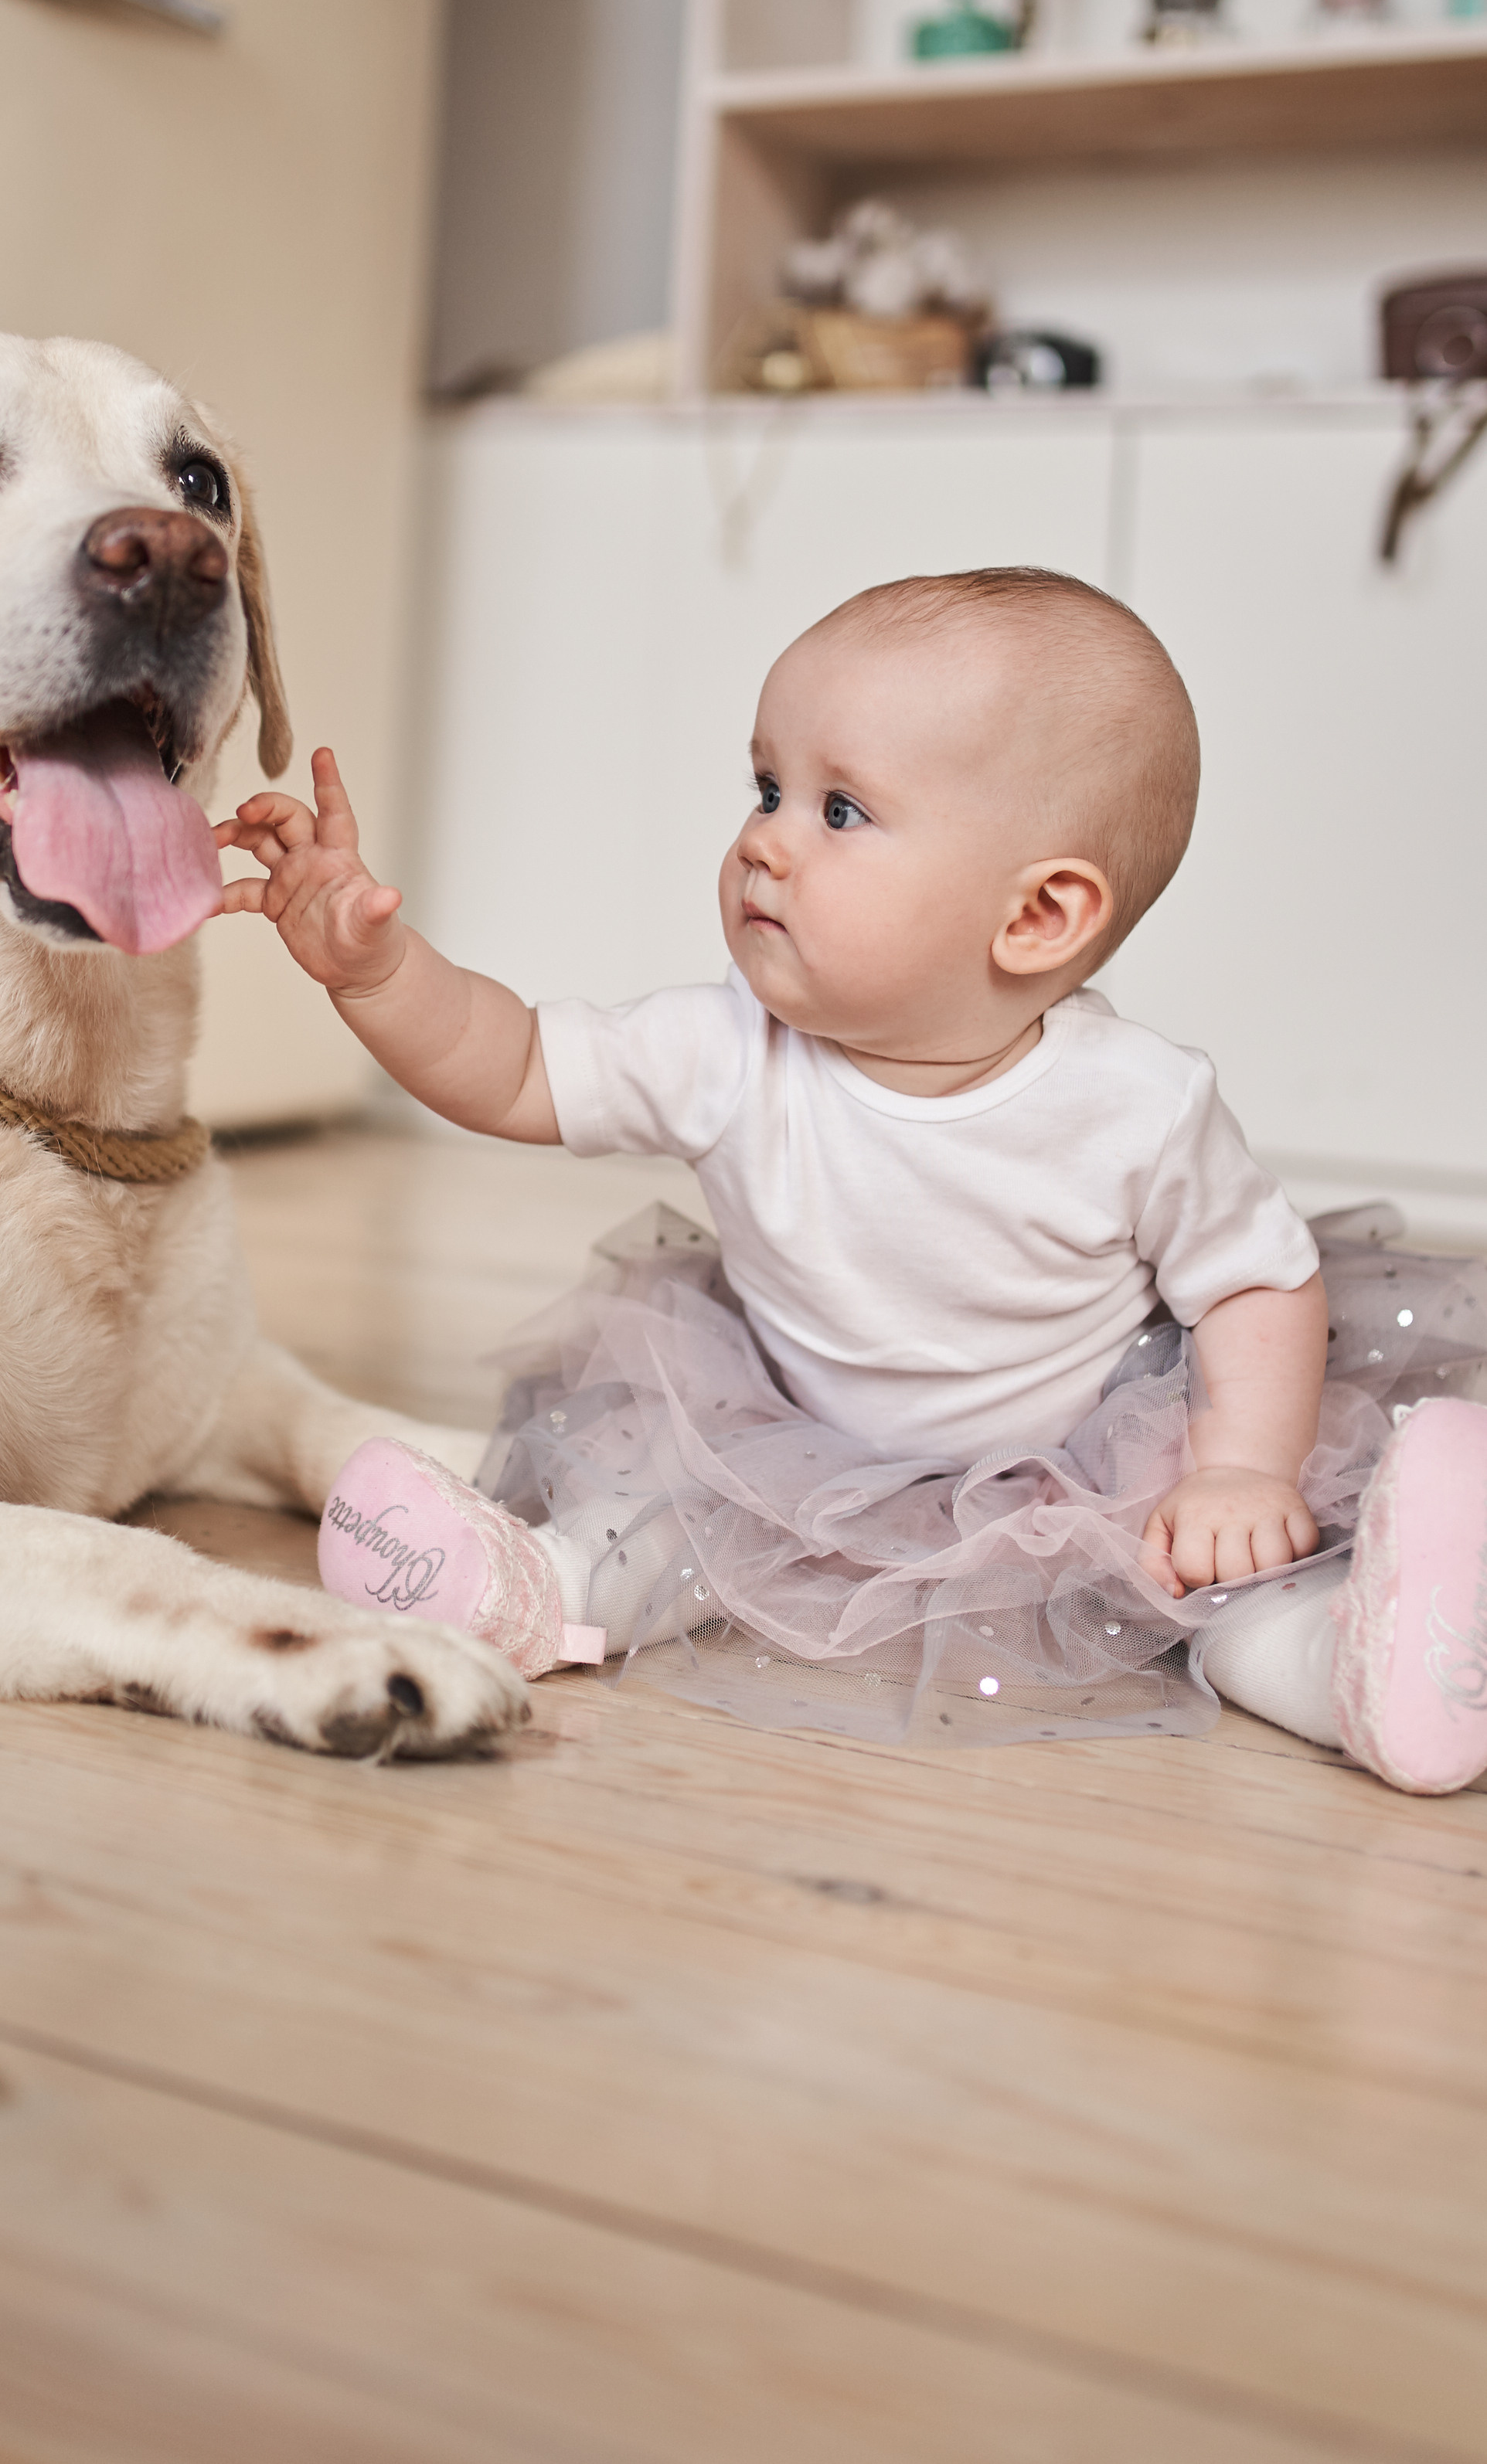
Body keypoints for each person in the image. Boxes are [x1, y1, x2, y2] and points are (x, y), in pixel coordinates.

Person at [216, 569, 1487, 1794]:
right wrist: (378, 976)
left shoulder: (1137, 1104)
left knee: (1210, 1575)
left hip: (1083, 1451)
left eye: (838, 810)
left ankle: (1368, 1667)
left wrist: (1243, 1469)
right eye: (766, 785)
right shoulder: (725, 1047)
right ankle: (518, 1587)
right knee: (663, 1502)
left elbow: (1259, 1281)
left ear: (1038, 916)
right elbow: (516, 1066)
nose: (763, 840)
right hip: (798, 1436)